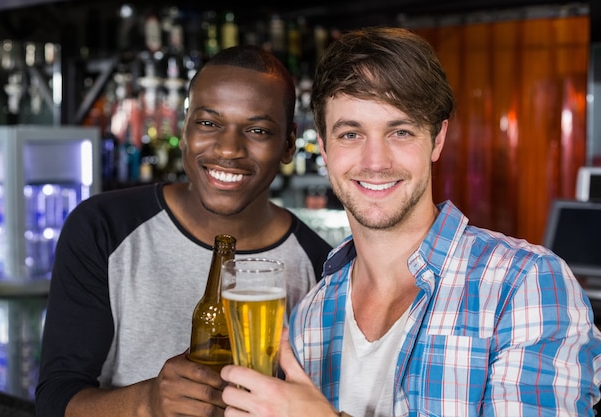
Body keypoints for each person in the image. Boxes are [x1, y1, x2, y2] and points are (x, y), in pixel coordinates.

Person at [220, 27, 601, 416]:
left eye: (400, 131)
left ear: (436, 140)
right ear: (324, 147)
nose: (375, 162)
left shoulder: (525, 284)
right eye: (351, 133)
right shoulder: (310, 315)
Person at [35, 45, 332, 417]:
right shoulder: (104, 227)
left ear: (288, 143)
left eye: (257, 130)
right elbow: (54, 402)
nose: (228, 149)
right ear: (185, 127)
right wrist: (147, 401)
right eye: (209, 123)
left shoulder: (322, 267)